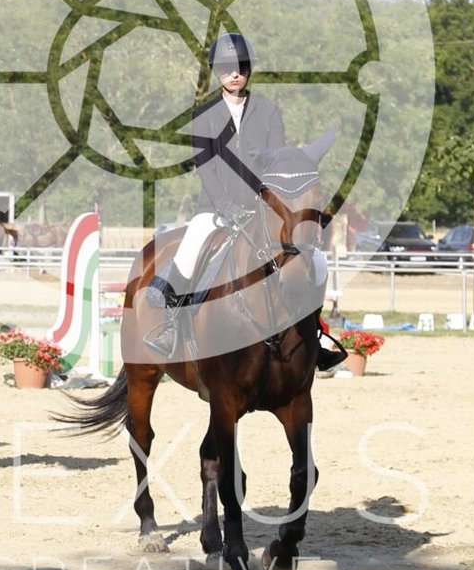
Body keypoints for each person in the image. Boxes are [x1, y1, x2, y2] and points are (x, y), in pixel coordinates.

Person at [145, 32, 342, 367]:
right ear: (217, 72)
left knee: (317, 263)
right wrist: (226, 206)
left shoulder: (268, 111)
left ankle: (314, 333)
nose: (234, 74)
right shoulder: (204, 116)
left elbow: (276, 161)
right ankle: (170, 328)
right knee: (189, 252)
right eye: (226, 69)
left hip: (263, 209)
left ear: (249, 70)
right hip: (214, 209)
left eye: (241, 68)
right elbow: (205, 168)